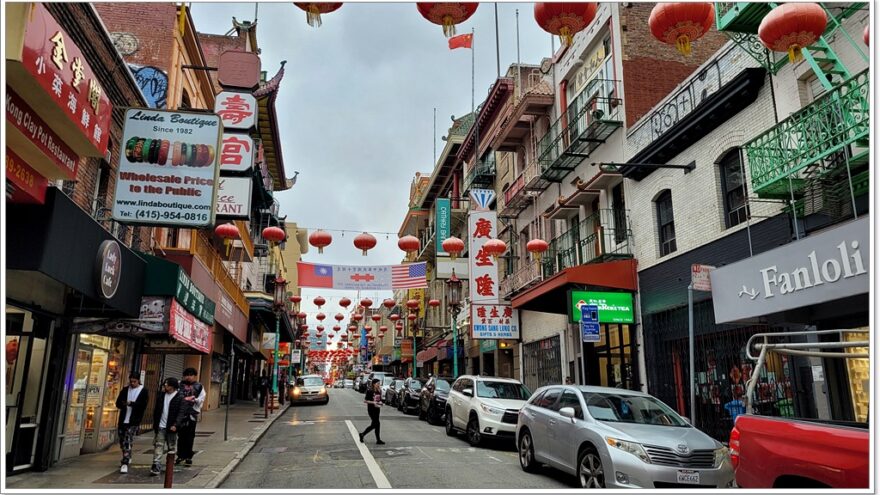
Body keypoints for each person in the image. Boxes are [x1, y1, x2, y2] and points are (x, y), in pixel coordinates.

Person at [151, 377, 186, 476]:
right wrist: (155, 424)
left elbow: (181, 413)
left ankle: (169, 465)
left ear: (172, 386)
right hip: (161, 426)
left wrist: (176, 424)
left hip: (171, 427)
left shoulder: (180, 398)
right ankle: (156, 464)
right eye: (165, 384)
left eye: (167, 384)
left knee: (171, 447)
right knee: (158, 445)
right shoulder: (161, 396)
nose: (165, 386)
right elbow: (156, 410)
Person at [115, 372, 148, 474]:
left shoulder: (143, 391)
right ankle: (127, 455)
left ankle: (125, 462)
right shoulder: (125, 390)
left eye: (134, 381)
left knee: (127, 440)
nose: (132, 383)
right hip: (123, 419)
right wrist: (124, 404)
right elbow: (118, 403)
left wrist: (132, 404)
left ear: (139, 381)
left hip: (133, 421)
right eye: (131, 381)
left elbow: (143, 406)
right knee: (122, 440)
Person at [176, 367, 205, 466]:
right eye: (187, 375)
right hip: (180, 414)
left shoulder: (199, 386)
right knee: (181, 435)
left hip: (192, 413)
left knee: (190, 435)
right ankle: (180, 455)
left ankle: (188, 456)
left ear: (194, 376)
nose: (188, 377)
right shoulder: (179, 384)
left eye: (191, 375)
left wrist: (195, 400)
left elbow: (202, 398)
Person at [358, 379, 385, 445]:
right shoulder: (370, 391)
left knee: (376, 424)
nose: (379, 385)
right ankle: (363, 434)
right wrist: (373, 402)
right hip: (371, 409)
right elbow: (365, 400)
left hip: (377, 409)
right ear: (374, 384)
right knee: (376, 424)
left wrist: (380, 403)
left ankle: (377, 440)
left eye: (379, 383)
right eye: (377, 383)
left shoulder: (379, 391)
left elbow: (379, 399)